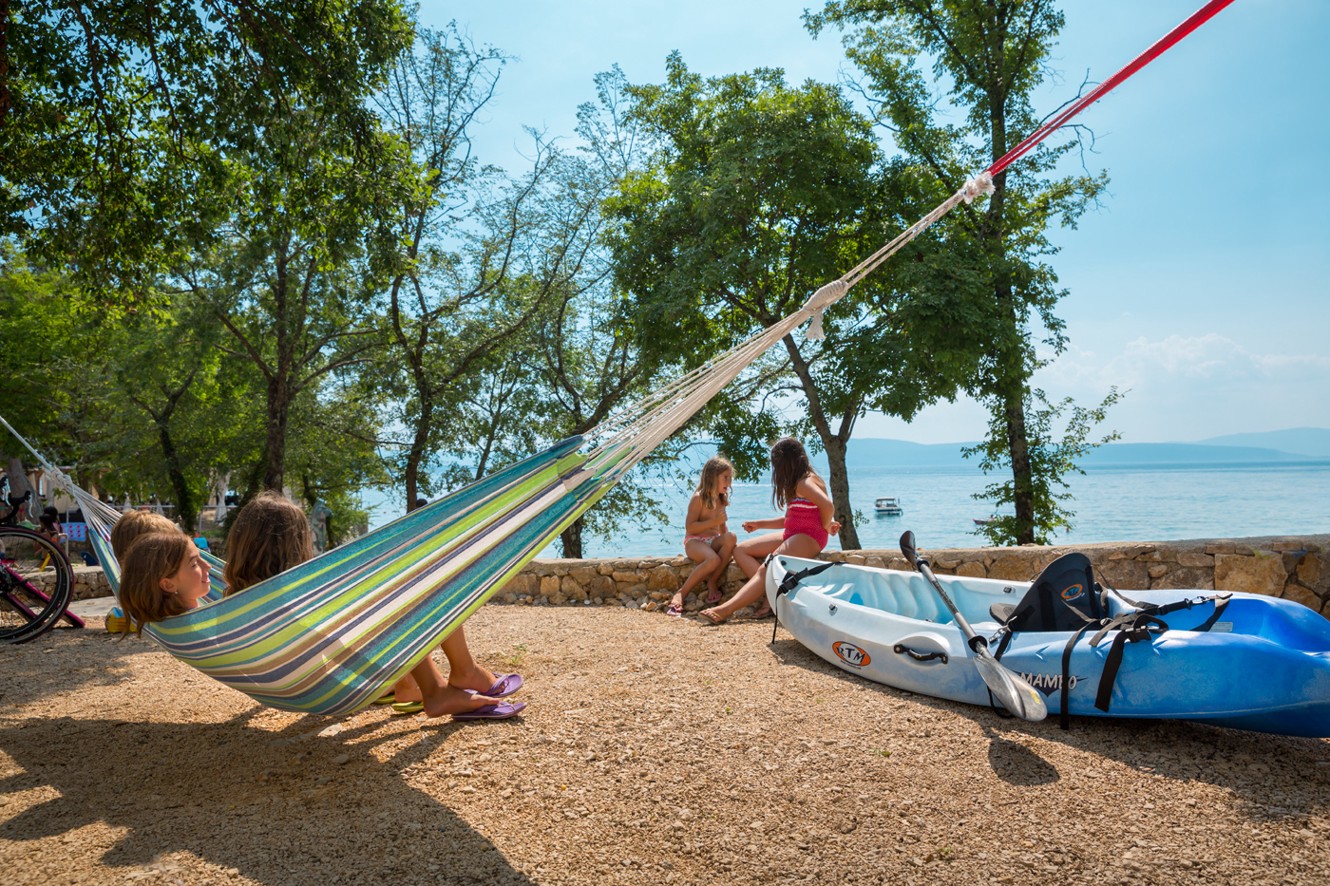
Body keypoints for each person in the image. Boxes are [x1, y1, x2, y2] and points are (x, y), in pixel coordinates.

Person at [222, 491, 524, 721]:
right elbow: (342, 649)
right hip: (328, 690)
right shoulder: (301, 602)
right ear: (295, 545)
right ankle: (449, 680)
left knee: (390, 600)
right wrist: (391, 670)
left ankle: (413, 685)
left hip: (292, 688)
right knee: (420, 585)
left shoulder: (232, 603)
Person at [698, 437, 840, 625]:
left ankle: (724, 610)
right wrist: (759, 524)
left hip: (809, 537)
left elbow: (827, 506)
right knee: (740, 550)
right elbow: (791, 520)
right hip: (793, 534)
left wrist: (826, 525)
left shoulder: (805, 482)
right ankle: (770, 594)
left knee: (769, 567)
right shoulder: (798, 482)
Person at [664, 456, 737, 616]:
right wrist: (713, 522)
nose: (729, 482)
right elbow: (690, 527)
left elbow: (722, 529)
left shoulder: (721, 499)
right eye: (725, 478)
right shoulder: (699, 498)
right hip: (694, 542)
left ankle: (712, 581)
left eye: (730, 478)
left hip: (712, 541)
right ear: (712, 477)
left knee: (731, 537)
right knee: (713, 559)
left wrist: (729, 547)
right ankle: (681, 593)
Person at [119, 528, 213, 626]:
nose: (208, 566)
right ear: (168, 585)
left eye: (200, 557)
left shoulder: (163, 622)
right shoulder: (199, 626)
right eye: (194, 564)